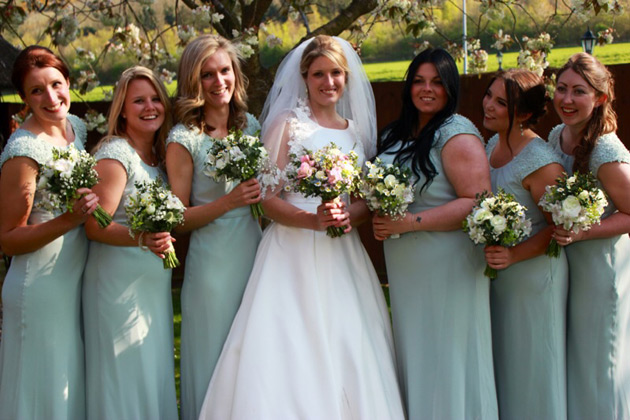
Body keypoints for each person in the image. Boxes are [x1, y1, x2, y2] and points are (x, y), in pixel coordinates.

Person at [197, 35, 405, 419]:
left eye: (336, 73)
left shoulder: (355, 131)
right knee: (289, 342)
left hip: (341, 252)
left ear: (347, 77)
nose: (328, 82)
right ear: (304, 77)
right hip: (290, 250)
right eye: (319, 74)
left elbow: (362, 202)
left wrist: (348, 215)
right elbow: (267, 199)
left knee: (347, 339)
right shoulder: (286, 125)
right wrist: (312, 219)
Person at [372, 48, 498, 420]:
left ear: (450, 89)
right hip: (409, 268)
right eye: (419, 81)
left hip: (449, 266)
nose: (427, 90)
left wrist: (409, 223)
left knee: (449, 356)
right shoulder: (396, 132)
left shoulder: (456, 134)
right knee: (418, 352)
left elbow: (477, 201)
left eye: (437, 83)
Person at [165, 34, 262, 420]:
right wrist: (229, 202)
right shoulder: (184, 138)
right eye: (207, 74)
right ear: (193, 81)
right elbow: (176, 215)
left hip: (254, 252)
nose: (219, 81)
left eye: (225, 71)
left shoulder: (250, 125)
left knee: (251, 355)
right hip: (212, 263)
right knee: (213, 354)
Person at [0, 45, 99, 419]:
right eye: (36, 91)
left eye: (56, 84)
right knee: (41, 389)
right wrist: (68, 220)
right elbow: (8, 237)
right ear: (23, 99)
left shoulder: (76, 129)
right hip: (38, 286)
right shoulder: (24, 151)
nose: (51, 97)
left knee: (66, 384)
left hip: (73, 278)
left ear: (68, 83)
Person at [81, 66, 178, 420]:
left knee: (149, 372)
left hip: (150, 287)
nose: (149, 106)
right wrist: (144, 239)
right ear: (122, 108)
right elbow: (95, 225)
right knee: (123, 376)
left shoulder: (157, 157)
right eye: (139, 100)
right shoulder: (115, 155)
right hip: (117, 287)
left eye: (155, 99)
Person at [482, 69, 569, 419]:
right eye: (489, 95)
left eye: (500, 102)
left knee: (534, 366)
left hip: (535, 278)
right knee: (507, 363)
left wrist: (514, 254)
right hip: (502, 277)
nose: (488, 105)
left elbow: (561, 229)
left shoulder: (541, 163)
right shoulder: (492, 144)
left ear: (525, 114)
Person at [548, 53, 630, 420]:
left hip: (602, 270)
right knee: (576, 362)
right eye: (561, 89)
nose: (566, 99)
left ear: (599, 98)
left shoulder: (607, 152)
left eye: (578, 92)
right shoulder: (556, 136)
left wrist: (581, 233)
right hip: (568, 267)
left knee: (601, 364)